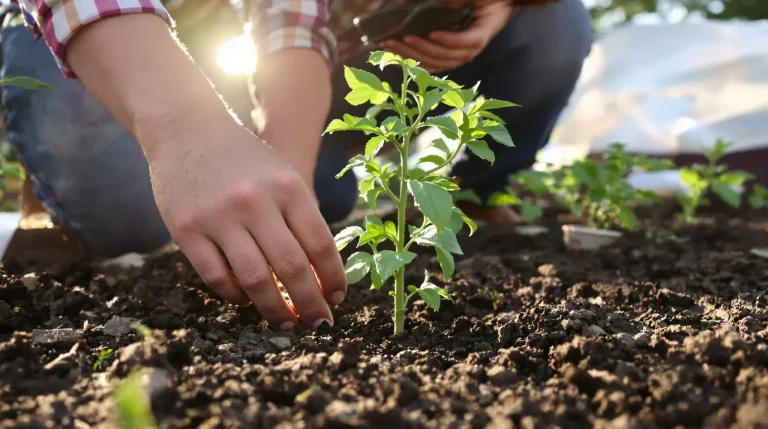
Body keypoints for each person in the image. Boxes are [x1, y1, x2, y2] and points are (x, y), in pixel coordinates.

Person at [7, 0, 592, 330]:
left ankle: (474, 193)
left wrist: (283, 182)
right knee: (128, 215)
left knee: (318, 200)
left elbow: (293, 21)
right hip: (75, 22)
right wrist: (184, 132)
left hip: (237, 39)